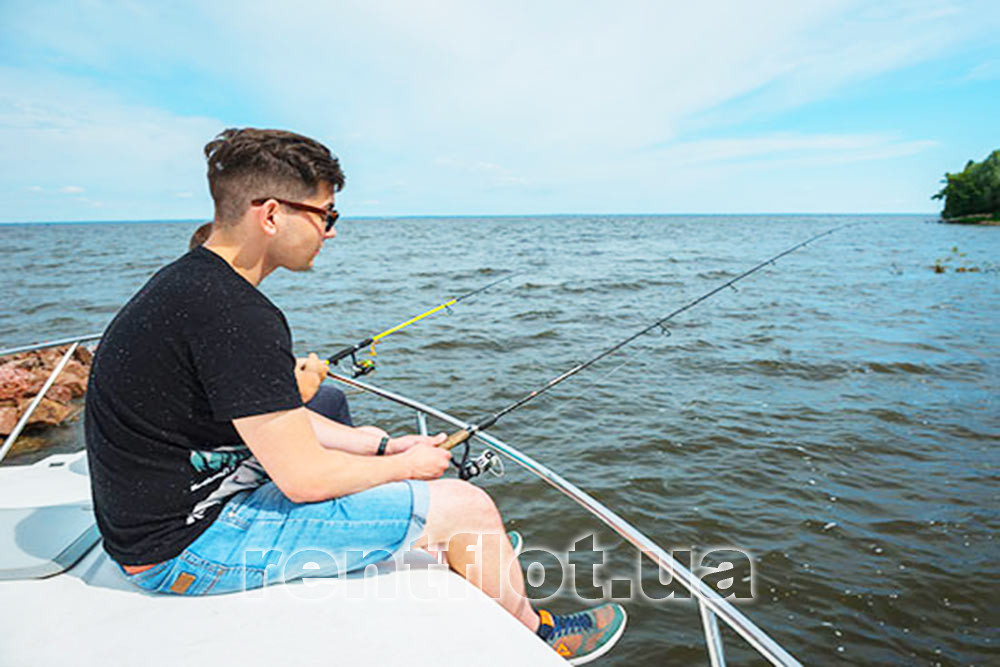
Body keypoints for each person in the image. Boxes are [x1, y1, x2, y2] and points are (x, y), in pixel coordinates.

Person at [85, 128, 626, 664]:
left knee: (376, 458)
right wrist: (410, 466)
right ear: (271, 214)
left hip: (164, 526)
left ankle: (468, 560)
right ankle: (538, 635)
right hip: (187, 549)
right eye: (326, 215)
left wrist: (382, 447)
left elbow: (272, 418)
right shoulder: (234, 314)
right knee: (468, 508)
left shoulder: (193, 286)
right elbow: (304, 480)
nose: (331, 231)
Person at [189, 222, 356, 426]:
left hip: (202, 414)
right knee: (333, 398)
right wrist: (311, 377)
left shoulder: (195, 295)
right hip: (221, 430)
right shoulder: (242, 312)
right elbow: (272, 405)